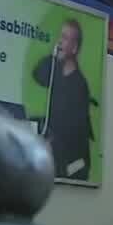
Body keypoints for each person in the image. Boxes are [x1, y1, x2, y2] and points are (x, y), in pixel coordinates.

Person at [32, 18, 94, 181]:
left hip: (73, 163)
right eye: (61, 36)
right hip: (57, 155)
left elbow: (73, 129)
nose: (60, 41)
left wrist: (53, 143)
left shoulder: (79, 85)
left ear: (74, 48)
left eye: (65, 38)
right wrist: (53, 57)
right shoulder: (56, 72)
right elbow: (37, 74)